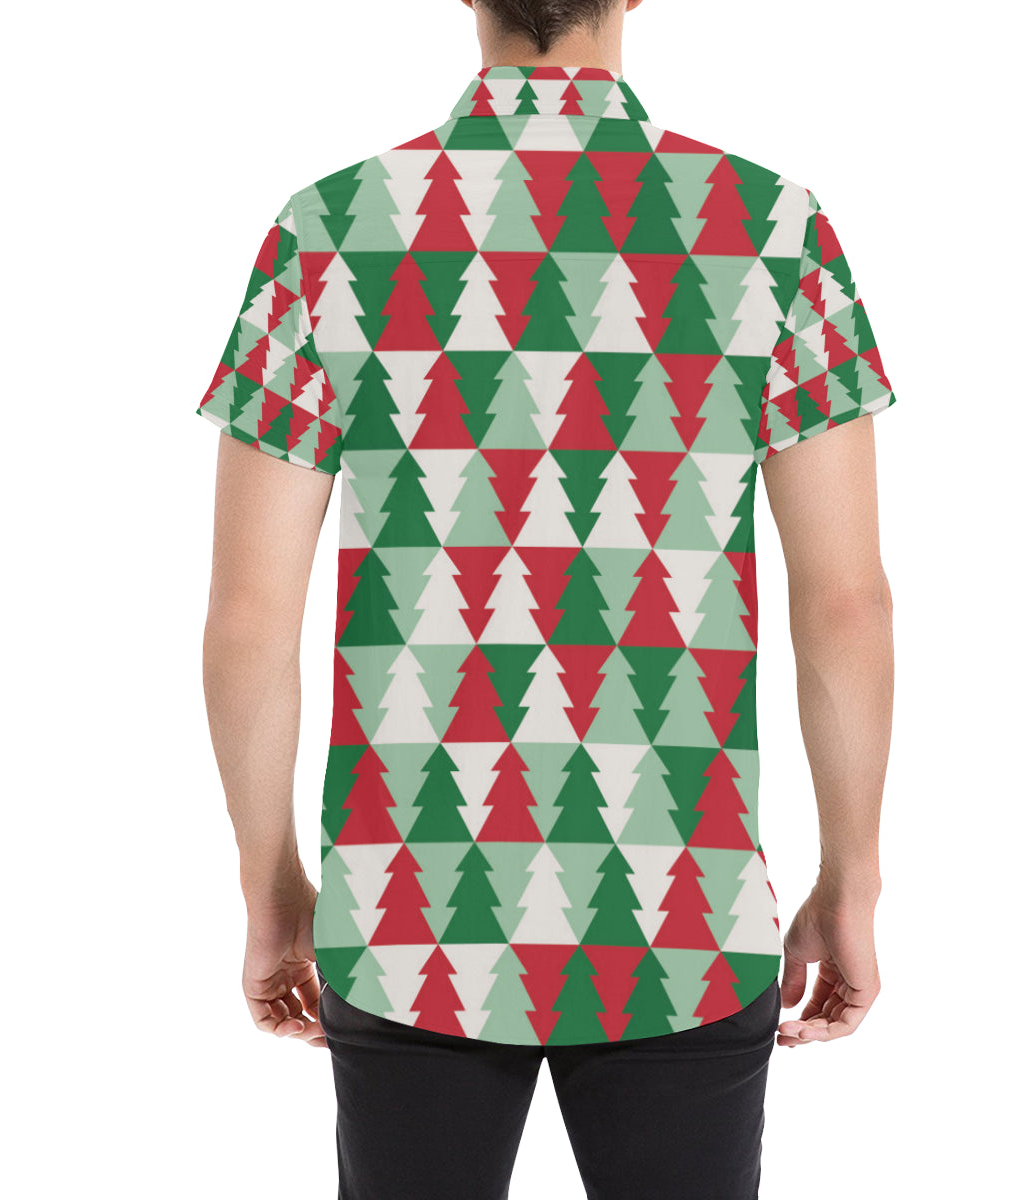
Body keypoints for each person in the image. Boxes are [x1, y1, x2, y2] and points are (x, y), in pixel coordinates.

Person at [196, 1, 896, 1196]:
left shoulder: (328, 230)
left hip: (409, 919)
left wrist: (273, 890)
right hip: (682, 915)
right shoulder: (772, 228)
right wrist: (852, 881)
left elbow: (250, 620)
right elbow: (846, 606)